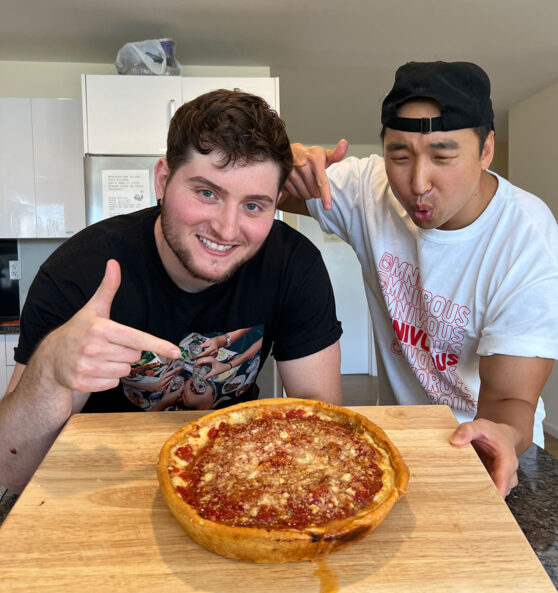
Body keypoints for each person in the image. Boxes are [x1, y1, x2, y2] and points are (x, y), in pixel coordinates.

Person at [0, 89, 343, 493]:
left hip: (239, 480)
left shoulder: (293, 265)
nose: (227, 229)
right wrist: (51, 367)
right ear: (163, 180)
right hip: (101, 484)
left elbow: (323, 432)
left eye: (253, 205)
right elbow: (13, 470)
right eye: (207, 193)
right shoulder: (77, 271)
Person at [279, 61, 558, 497]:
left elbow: (511, 401)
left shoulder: (528, 245)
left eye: (443, 155)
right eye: (400, 155)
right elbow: (261, 191)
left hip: (492, 447)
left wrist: (500, 439)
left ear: (486, 149)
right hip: (402, 438)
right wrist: (283, 161)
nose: (418, 183)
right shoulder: (367, 188)